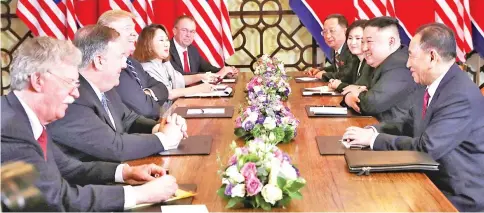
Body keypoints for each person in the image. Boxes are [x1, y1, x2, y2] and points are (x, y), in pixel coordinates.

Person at [1, 36, 179, 211]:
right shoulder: (10, 130)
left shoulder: (24, 117)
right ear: (38, 81)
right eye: (69, 82)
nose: (76, 93)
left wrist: (125, 172)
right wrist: (140, 195)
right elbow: (57, 201)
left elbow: (70, 168)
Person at [343, 23, 484, 212]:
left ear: (432, 57)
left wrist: (374, 140)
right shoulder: (432, 84)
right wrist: (371, 131)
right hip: (428, 178)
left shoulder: (460, 95)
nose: (407, 63)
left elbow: (427, 149)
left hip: (455, 196)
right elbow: (406, 124)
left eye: (411, 55)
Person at [47, 25, 188, 162]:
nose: (125, 65)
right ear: (99, 61)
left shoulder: (106, 88)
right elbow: (115, 147)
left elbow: (129, 119)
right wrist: (164, 139)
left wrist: (160, 126)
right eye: (120, 57)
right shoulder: (73, 98)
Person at [341, 17, 419, 122]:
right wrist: (351, 95)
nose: (364, 48)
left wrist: (349, 97)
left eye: (369, 41)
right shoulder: (378, 62)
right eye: (363, 42)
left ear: (391, 42)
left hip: (396, 134)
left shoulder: (400, 65)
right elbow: (354, 87)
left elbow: (370, 104)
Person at [98, 10, 169, 120]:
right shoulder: (112, 67)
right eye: (127, 28)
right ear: (108, 34)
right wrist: (152, 101)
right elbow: (146, 111)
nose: (135, 34)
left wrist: (147, 94)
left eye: (133, 28)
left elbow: (163, 88)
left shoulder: (133, 63)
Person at [133, 24, 217, 101]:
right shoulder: (147, 68)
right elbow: (167, 94)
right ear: (148, 45)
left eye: (166, 40)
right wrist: (198, 89)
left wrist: (201, 76)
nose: (166, 44)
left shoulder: (165, 63)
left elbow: (179, 79)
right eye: (161, 40)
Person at [169, 15, 238, 77]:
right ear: (174, 31)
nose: (188, 35)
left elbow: (209, 68)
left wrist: (226, 72)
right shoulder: (166, 50)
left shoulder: (192, 50)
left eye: (192, 31)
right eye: (184, 30)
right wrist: (216, 75)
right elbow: (180, 76)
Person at [327, 19, 371, 92]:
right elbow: (348, 80)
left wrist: (339, 85)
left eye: (358, 38)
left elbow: (361, 88)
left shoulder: (370, 63)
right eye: (350, 38)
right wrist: (334, 82)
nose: (353, 43)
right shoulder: (355, 60)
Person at [305, 14, 352, 81]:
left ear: (345, 31)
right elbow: (336, 68)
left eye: (332, 31)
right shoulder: (334, 49)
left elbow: (348, 75)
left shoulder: (352, 49)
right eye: (324, 32)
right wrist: (319, 70)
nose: (327, 36)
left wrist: (324, 75)